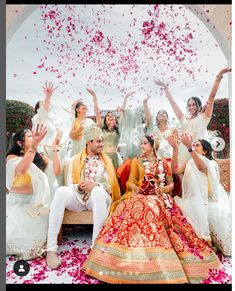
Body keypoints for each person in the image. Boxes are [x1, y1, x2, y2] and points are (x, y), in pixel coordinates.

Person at [83, 134, 222, 284]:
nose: (141, 146)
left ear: (152, 145)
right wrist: (140, 188)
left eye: (144, 143)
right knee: (139, 204)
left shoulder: (162, 162)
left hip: (159, 197)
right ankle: (131, 253)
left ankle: (156, 255)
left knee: (152, 204)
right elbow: (130, 182)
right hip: (139, 195)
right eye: (141, 144)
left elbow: (171, 185)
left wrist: (158, 191)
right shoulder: (136, 162)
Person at [46, 124, 121, 270]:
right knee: (61, 191)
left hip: (97, 199)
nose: (101, 144)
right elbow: (69, 183)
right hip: (79, 198)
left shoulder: (106, 161)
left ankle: (96, 248)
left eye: (102, 141)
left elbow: (112, 185)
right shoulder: (74, 160)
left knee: (98, 192)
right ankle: (51, 249)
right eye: (98, 141)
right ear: (88, 142)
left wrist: (97, 185)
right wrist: (78, 186)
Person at [168, 133, 231, 256]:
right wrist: (175, 149)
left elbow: (201, 168)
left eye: (197, 145)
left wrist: (189, 149)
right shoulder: (189, 162)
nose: (194, 147)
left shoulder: (210, 164)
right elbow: (175, 170)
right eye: (193, 145)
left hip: (207, 203)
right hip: (191, 201)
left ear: (205, 151)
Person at [6, 125, 62, 260]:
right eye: (29, 136)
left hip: (35, 204)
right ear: (20, 143)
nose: (33, 137)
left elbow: (56, 171)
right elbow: (21, 170)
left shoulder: (39, 157)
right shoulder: (12, 157)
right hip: (16, 203)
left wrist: (55, 148)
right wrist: (34, 147)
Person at [155, 67, 232, 163]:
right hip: (183, 152)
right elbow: (173, 104)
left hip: (198, 151)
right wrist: (166, 89)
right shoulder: (183, 118)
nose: (191, 107)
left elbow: (211, 97)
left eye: (194, 104)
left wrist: (219, 75)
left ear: (199, 106)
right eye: (189, 105)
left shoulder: (204, 117)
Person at [86, 89, 135, 168]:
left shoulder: (118, 129)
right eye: (108, 116)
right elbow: (97, 112)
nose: (110, 116)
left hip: (114, 157)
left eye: (112, 116)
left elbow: (122, 113)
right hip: (102, 157)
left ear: (116, 120)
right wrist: (94, 96)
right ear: (105, 120)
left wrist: (126, 97)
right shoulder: (101, 129)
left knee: (114, 179)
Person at [32, 81, 70, 164]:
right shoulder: (38, 117)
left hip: (55, 149)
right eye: (42, 103)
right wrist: (48, 97)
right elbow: (44, 110)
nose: (46, 104)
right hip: (43, 151)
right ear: (38, 109)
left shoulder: (51, 119)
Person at [118, 95, 152, 159]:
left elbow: (148, 121)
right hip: (126, 160)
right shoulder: (124, 130)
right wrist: (125, 98)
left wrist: (145, 104)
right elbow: (121, 117)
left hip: (139, 159)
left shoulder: (141, 128)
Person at [68, 90, 98, 158]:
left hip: (88, 149)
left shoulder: (90, 121)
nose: (85, 106)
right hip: (77, 149)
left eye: (86, 106)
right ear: (77, 109)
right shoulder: (74, 121)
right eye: (82, 105)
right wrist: (80, 129)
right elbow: (71, 136)